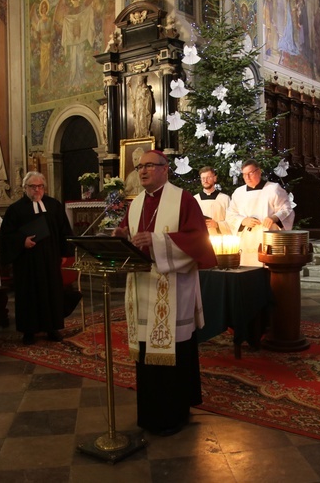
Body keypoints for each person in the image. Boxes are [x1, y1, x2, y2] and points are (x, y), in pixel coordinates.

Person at [112, 150, 217, 436]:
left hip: (172, 290)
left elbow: (198, 240)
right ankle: (150, 414)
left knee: (174, 354)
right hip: (141, 289)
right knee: (147, 356)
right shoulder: (135, 205)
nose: (142, 171)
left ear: (164, 169)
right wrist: (121, 237)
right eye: (139, 167)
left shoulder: (182, 199)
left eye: (149, 166)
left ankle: (173, 414)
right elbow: (128, 233)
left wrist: (158, 241)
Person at [0, 171, 71, 345]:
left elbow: (64, 230)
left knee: (51, 292)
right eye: (32, 186)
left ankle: (52, 327)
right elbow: (5, 235)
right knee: (28, 294)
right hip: (27, 261)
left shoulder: (54, 206)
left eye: (40, 186)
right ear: (25, 188)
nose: (37, 190)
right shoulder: (15, 209)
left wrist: (64, 253)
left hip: (50, 258)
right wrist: (22, 241)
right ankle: (28, 331)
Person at [225, 159, 295, 266]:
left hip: (268, 236)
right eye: (244, 174)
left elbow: (287, 209)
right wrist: (243, 220)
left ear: (259, 171)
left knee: (267, 269)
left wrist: (274, 218)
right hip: (247, 239)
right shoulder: (238, 192)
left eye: (250, 173)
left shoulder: (273, 188)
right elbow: (230, 214)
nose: (247, 178)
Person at [194, 166, 231, 235]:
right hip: (200, 238)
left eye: (208, 177)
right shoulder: (195, 199)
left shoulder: (225, 198)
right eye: (203, 178)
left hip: (220, 239)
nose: (205, 180)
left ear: (214, 178)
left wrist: (217, 224)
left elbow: (231, 221)